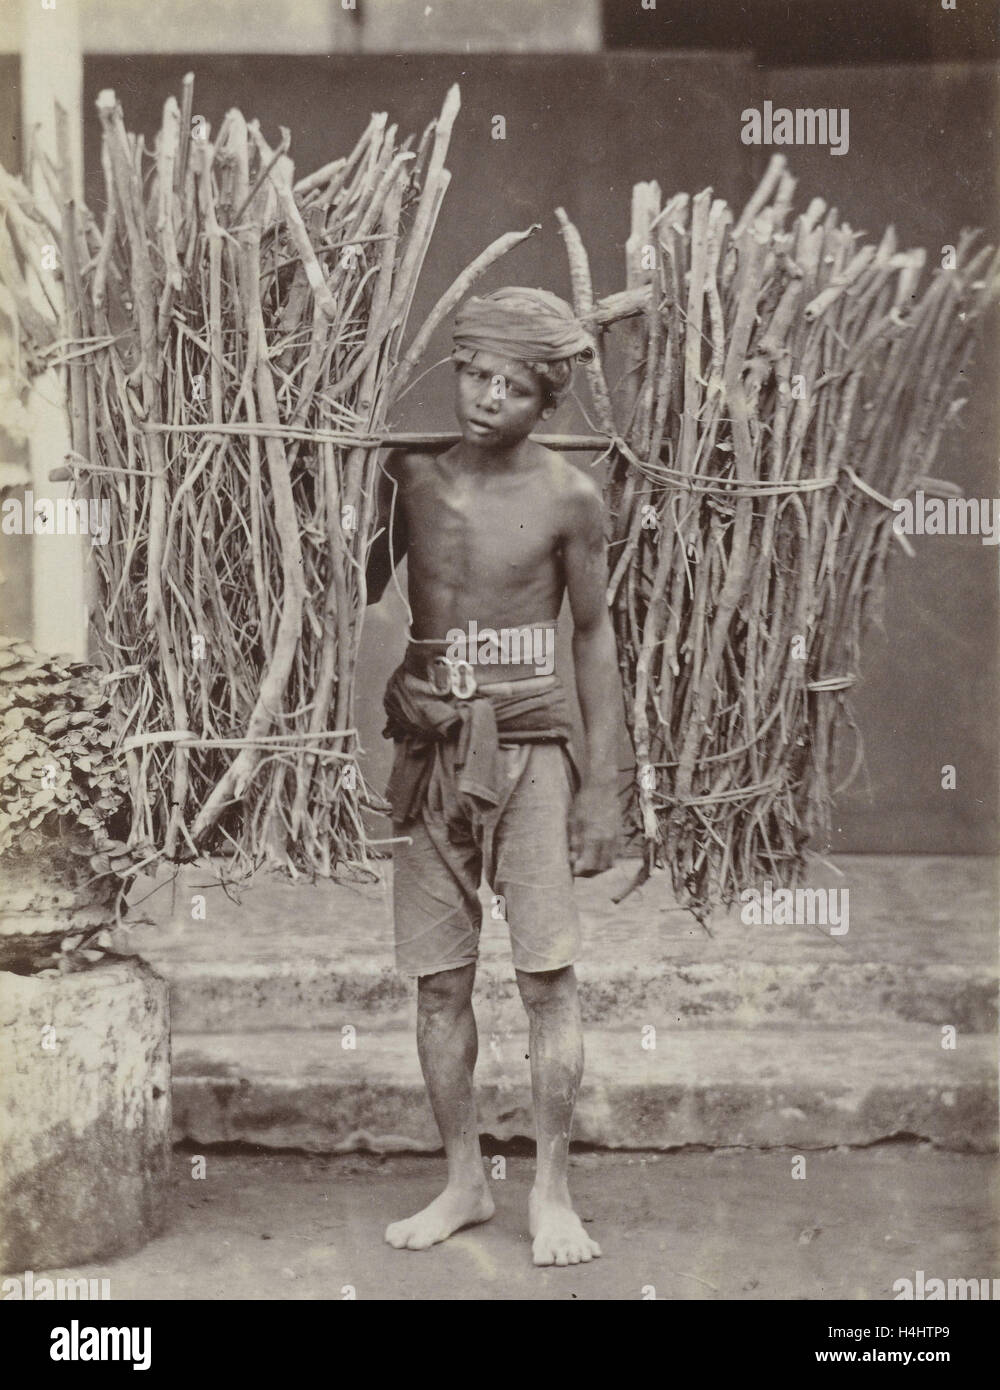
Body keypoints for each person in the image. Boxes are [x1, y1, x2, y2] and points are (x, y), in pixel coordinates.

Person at [366, 286, 622, 1266]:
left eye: (512, 386)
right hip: (430, 745)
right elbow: (336, 586)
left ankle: (551, 1190)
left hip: (530, 746)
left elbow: (593, 634)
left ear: (546, 397)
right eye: (473, 375)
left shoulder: (569, 494)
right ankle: (464, 1177)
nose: (485, 397)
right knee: (438, 982)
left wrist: (602, 786)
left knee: (545, 975)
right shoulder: (409, 478)